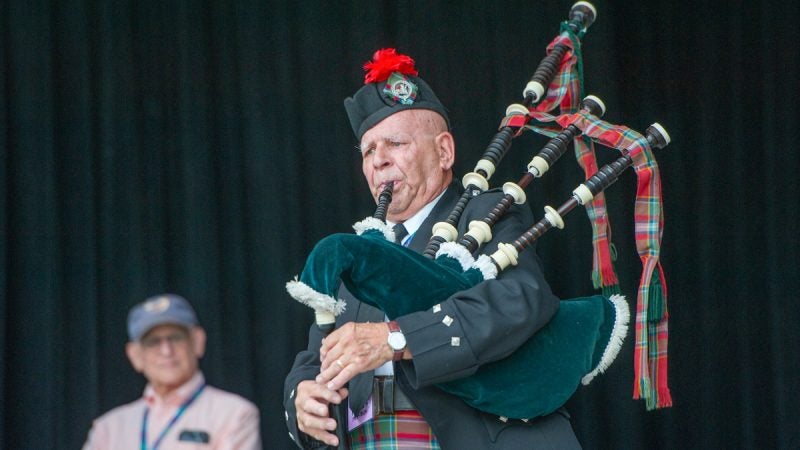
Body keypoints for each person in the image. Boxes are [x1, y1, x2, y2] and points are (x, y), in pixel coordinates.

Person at [283, 48, 582, 449]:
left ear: (444, 152)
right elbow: (314, 355)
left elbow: (518, 301)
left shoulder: (485, 215)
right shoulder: (361, 253)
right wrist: (301, 397)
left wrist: (393, 338)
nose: (379, 162)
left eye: (395, 144)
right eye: (369, 151)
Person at [83, 294, 262, 450]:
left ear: (198, 342)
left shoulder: (234, 414)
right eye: (153, 342)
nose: (166, 351)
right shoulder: (108, 428)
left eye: (176, 338)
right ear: (135, 355)